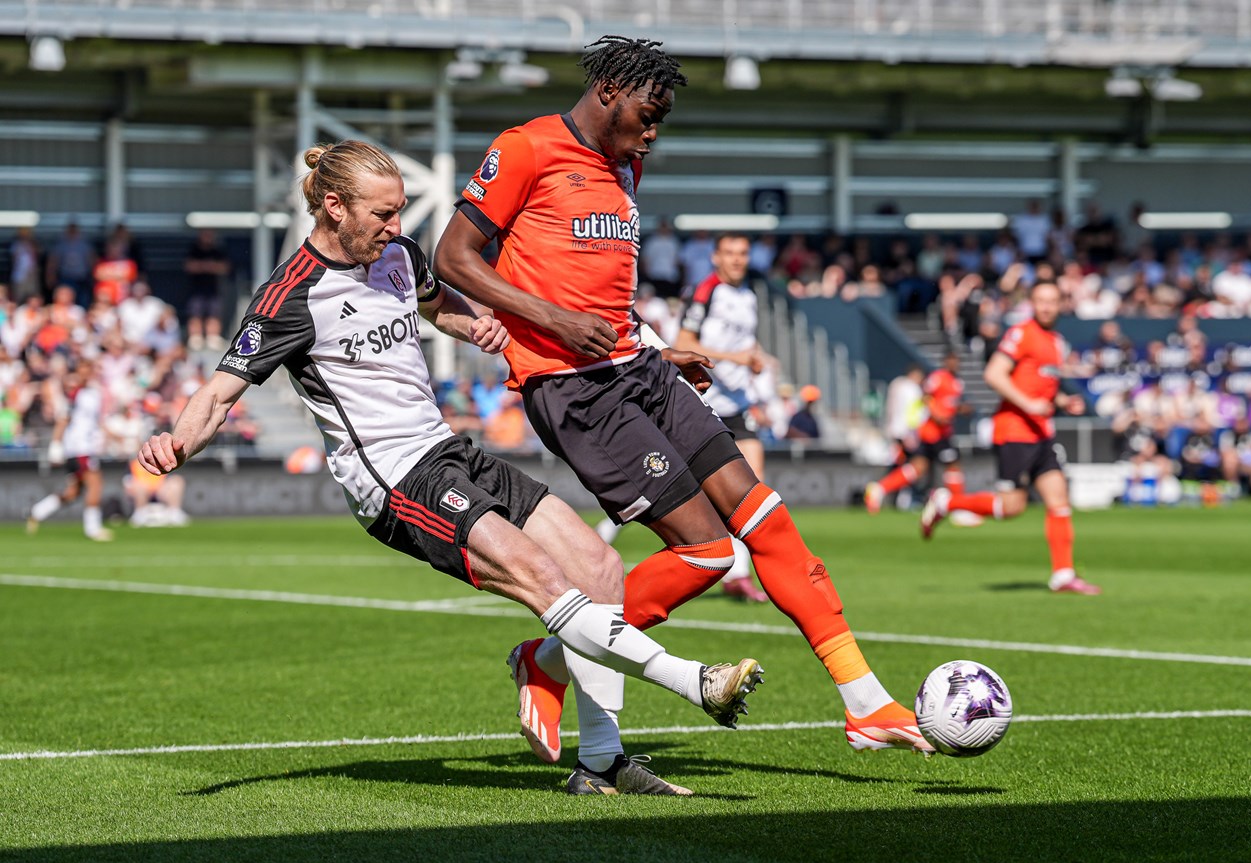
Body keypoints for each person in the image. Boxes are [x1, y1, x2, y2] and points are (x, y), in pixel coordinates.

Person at [136, 139, 764, 797]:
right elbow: (219, 394)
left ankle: (602, 762)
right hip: (394, 479)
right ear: (334, 206)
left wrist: (476, 327)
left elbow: (438, 307)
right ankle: (696, 681)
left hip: (447, 449)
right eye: (382, 214)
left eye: (400, 211)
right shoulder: (289, 296)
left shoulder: (400, 256)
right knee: (543, 578)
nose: (396, 226)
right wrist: (176, 444)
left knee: (600, 568)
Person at [436, 36, 934, 761]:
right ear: (609, 91)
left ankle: (865, 702)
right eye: (649, 113)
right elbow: (452, 257)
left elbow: (600, 282)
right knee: (707, 553)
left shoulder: (626, 165)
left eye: (661, 119)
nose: (653, 132)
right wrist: (553, 320)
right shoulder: (526, 148)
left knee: (768, 522)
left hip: (639, 366)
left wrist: (654, 343)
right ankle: (545, 660)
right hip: (572, 387)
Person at [920, 280, 1101, 595]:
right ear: (1032, 303)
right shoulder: (1021, 333)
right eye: (1041, 300)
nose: (1046, 307)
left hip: (1041, 432)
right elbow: (994, 374)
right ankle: (946, 502)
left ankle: (1063, 575)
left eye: (1052, 301)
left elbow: (1042, 384)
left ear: (1061, 304)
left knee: (1059, 500)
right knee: (1011, 508)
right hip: (1014, 431)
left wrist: (1062, 401)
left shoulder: (1057, 342)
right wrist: (1028, 404)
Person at [672, 232, 773, 603]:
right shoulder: (706, 291)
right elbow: (683, 343)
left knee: (753, 489)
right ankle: (608, 531)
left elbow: (744, 345)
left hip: (739, 404)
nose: (736, 259)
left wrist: (757, 359)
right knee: (680, 488)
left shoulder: (749, 296)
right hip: (705, 401)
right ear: (715, 257)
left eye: (742, 253)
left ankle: (739, 574)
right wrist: (736, 359)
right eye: (729, 253)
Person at [865, 350, 968, 514]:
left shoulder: (958, 383)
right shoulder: (938, 378)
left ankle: (879, 489)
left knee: (918, 467)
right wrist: (935, 413)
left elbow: (949, 405)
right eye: (952, 360)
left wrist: (961, 409)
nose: (955, 364)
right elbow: (925, 397)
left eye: (957, 360)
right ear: (946, 361)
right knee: (952, 464)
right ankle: (959, 507)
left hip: (942, 432)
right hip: (933, 432)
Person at [26, 357, 114, 542]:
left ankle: (38, 511)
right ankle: (93, 528)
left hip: (88, 446)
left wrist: (110, 436)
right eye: (82, 369)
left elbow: (94, 422)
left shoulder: (93, 393)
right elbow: (63, 419)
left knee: (73, 492)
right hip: (79, 447)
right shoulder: (75, 393)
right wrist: (56, 443)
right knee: (95, 484)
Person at [184, 229, 232, 350]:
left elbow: (224, 267)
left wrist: (205, 266)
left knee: (214, 313)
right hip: (196, 289)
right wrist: (207, 266)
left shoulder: (217, 251)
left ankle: (212, 337)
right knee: (195, 313)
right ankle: (196, 338)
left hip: (213, 289)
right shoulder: (194, 250)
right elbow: (189, 266)